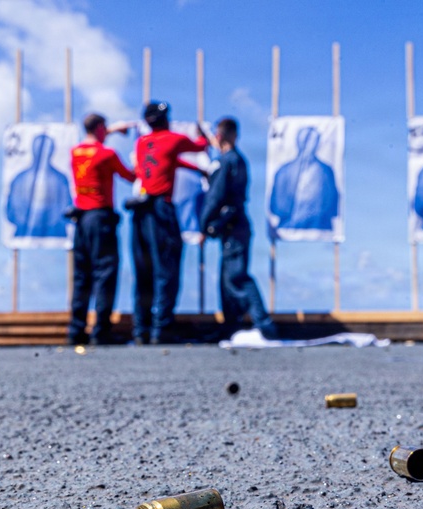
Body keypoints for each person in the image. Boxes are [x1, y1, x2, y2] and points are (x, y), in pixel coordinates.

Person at [131, 100, 211, 344]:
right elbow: (201, 146)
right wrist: (202, 132)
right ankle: (161, 328)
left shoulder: (143, 142)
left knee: (143, 271)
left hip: (139, 210)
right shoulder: (174, 139)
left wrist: (196, 172)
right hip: (160, 210)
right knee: (167, 268)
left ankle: (140, 329)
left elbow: (168, 161)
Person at [199, 117, 277, 341]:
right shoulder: (237, 161)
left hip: (232, 227)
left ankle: (264, 326)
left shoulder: (226, 162)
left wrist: (204, 225)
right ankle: (231, 328)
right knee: (227, 279)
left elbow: (215, 197)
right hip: (233, 227)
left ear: (219, 136)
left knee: (235, 277)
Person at [68, 113, 135, 345]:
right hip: (101, 218)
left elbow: (94, 139)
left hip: (81, 220)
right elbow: (130, 176)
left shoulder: (75, 152)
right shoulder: (107, 154)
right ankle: (101, 331)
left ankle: (76, 330)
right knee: (105, 273)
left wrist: (114, 129)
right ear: (100, 129)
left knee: (81, 276)